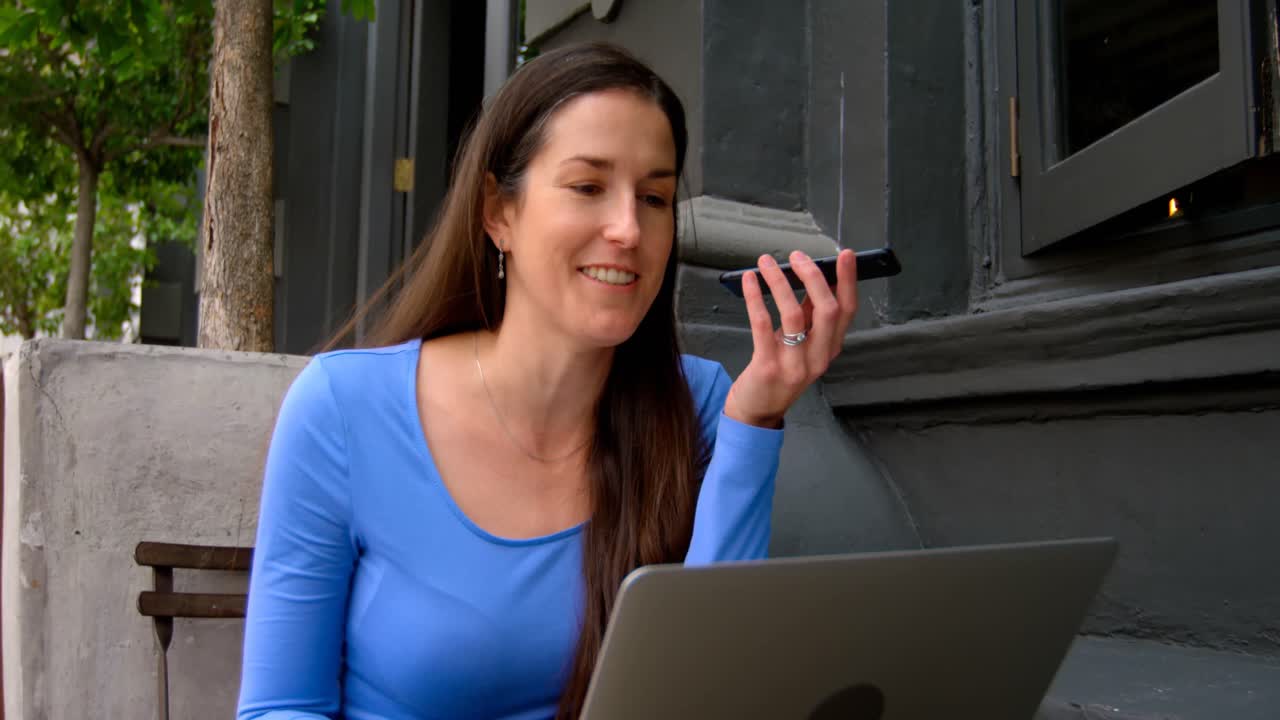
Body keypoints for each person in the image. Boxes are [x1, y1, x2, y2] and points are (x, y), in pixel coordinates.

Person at [236, 42, 858, 720]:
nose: (628, 229)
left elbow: (707, 688)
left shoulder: (704, 406)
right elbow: (280, 707)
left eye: (653, 197)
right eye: (588, 187)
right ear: (498, 214)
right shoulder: (342, 410)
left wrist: (755, 422)